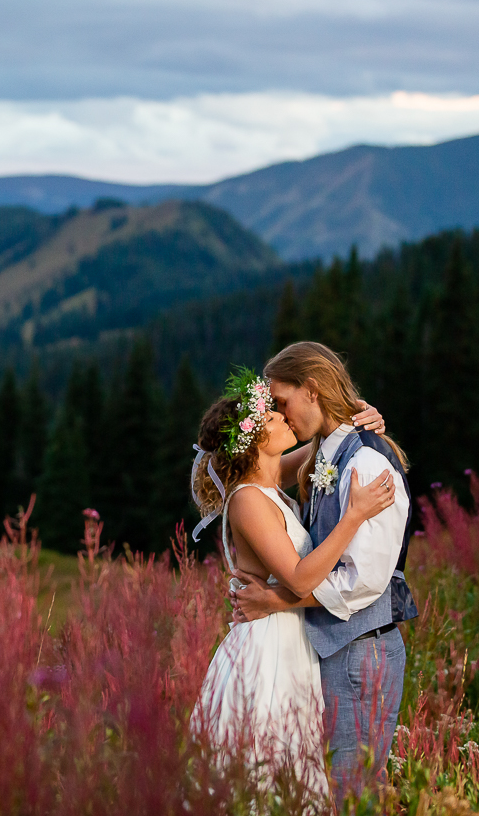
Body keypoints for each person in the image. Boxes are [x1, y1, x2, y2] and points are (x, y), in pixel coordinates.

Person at [190, 368, 397, 801]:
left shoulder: (267, 481)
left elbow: (326, 441)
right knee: (267, 763)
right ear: (254, 441)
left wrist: (363, 415)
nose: (283, 417)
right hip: (267, 647)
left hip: (290, 637)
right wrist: (354, 515)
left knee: (292, 759)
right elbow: (301, 576)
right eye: (271, 418)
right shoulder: (247, 499)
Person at [232, 342, 416, 801]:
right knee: (333, 794)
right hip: (335, 650)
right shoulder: (325, 455)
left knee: (352, 796)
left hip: (361, 651)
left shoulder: (365, 462)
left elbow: (364, 581)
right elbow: (256, 481)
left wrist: (278, 599)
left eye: (282, 402)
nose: (280, 414)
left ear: (311, 390)